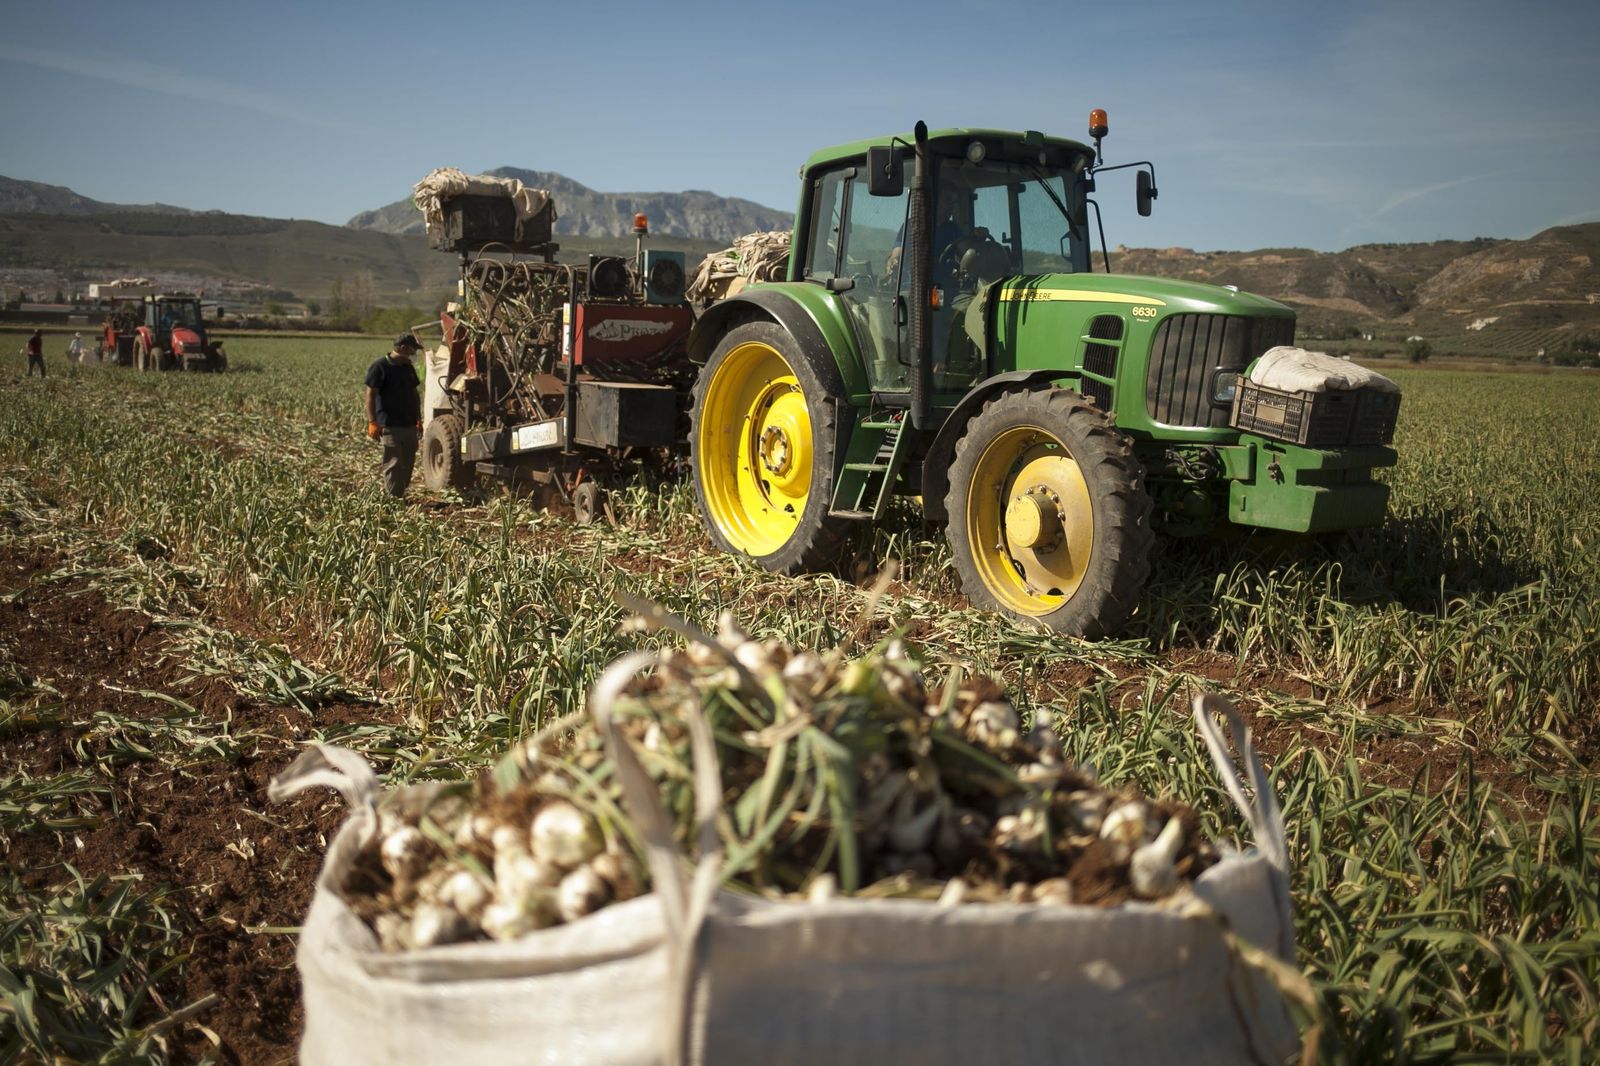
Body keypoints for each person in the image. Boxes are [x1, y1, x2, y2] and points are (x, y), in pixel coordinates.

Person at [364, 333, 424, 498]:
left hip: (409, 424)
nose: (414, 354)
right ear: (403, 348)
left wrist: (418, 419)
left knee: (408, 463)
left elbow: (414, 394)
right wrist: (372, 422)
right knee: (394, 463)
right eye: (413, 349)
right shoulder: (380, 366)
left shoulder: (407, 367)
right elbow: (370, 395)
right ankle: (394, 499)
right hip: (390, 425)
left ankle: (400, 494)